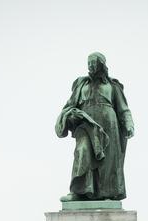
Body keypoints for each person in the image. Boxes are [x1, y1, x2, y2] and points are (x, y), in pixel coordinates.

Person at [56, 52, 134, 201]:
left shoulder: (112, 86)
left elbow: (123, 109)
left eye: (93, 63)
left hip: (109, 125)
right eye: (89, 63)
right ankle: (78, 192)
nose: (90, 66)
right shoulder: (81, 85)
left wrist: (129, 123)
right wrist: (69, 116)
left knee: (108, 161)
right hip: (86, 124)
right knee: (82, 150)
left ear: (101, 65)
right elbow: (69, 105)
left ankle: (108, 194)